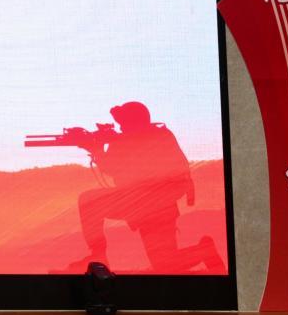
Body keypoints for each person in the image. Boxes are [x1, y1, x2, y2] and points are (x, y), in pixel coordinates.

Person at [69, 101, 224, 273]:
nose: (121, 128)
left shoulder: (140, 138)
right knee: (165, 264)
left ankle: (98, 255)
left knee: (89, 201)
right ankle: (205, 251)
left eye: (123, 123)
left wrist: (96, 149)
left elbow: (113, 167)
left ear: (133, 122)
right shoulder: (153, 135)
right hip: (152, 205)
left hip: (149, 204)